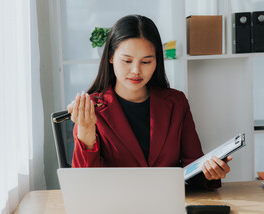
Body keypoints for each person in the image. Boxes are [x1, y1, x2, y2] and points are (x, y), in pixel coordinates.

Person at [66, 14, 231, 190]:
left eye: (146, 61)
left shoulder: (176, 102)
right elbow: (83, 186)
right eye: (127, 61)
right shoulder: (90, 108)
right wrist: (86, 132)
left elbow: (193, 164)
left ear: (156, 61)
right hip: (115, 209)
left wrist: (210, 172)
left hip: (168, 205)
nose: (136, 70)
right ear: (111, 57)